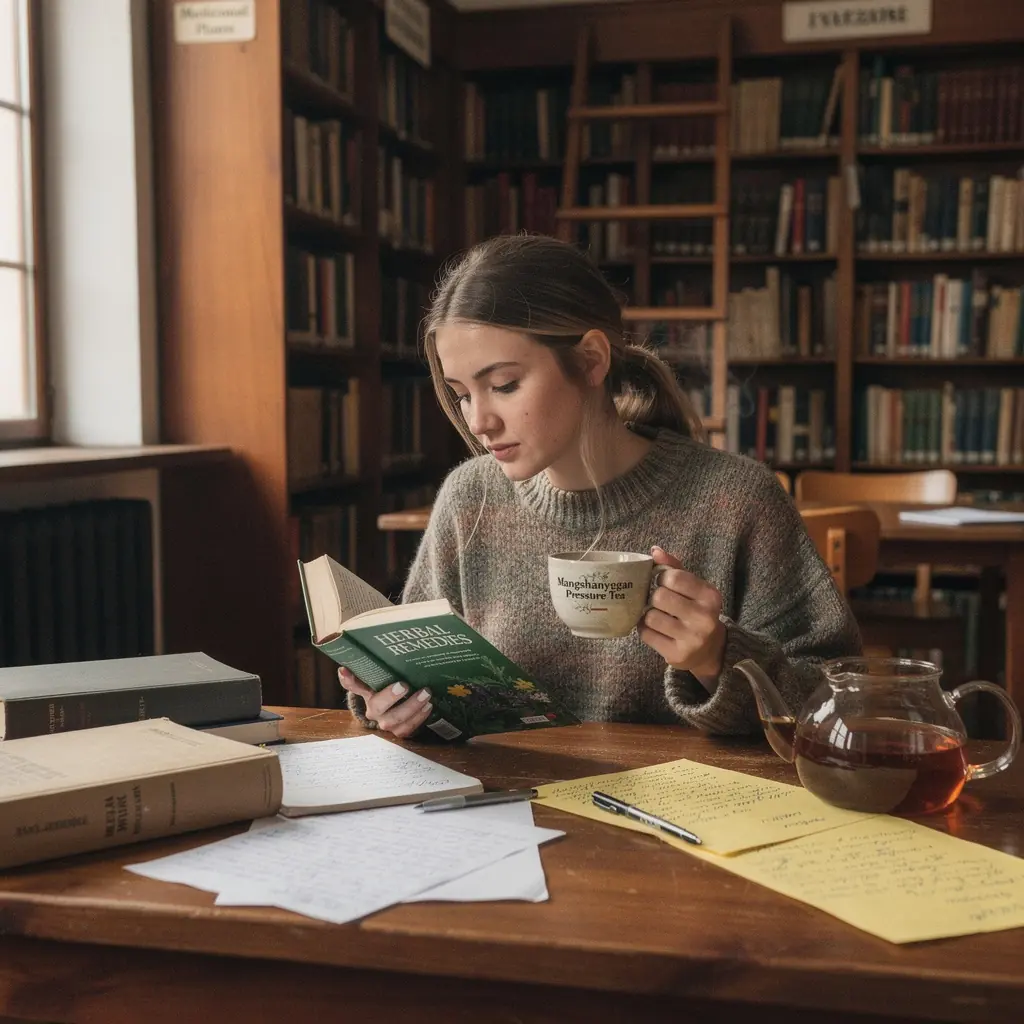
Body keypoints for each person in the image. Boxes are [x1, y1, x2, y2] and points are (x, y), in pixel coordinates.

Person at [340, 233, 860, 738]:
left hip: (681, 817)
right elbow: (426, 686)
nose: (478, 422)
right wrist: (395, 703)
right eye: (460, 395)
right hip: (508, 812)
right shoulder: (468, 500)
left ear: (591, 360)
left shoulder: (737, 500)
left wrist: (718, 657)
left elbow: (841, 705)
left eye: (503, 386)